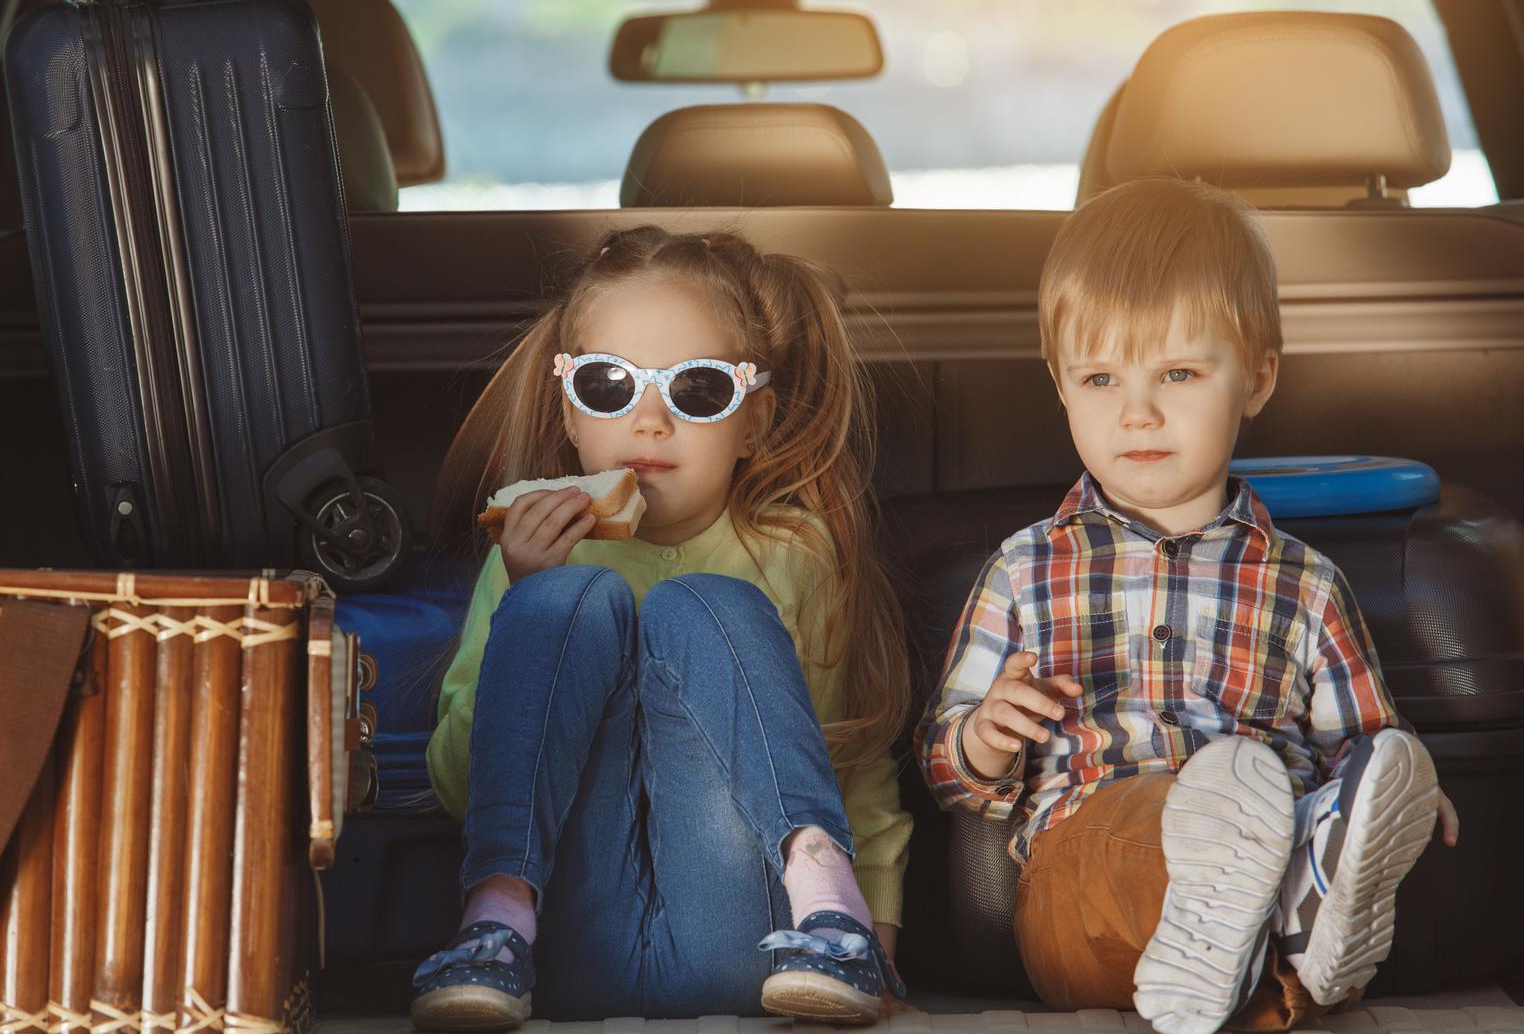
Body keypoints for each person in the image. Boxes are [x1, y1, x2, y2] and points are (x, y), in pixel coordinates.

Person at [916, 177, 1460, 1034]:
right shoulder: (1024, 569)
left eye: (1177, 372)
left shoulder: (1307, 583)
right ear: (1060, 386)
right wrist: (984, 737)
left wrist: (1398, 790)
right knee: (1149, 834)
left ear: (1256, 378)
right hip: (1085, 862)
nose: (1137, 411)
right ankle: (1280, 917)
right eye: (1100, 377)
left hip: (1273, 836)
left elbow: (1362, 745)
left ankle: (1285, 940)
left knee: (1302, 824)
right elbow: (946, 770)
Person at [414, 226, 912, 1030]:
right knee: (567, 605)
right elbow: (457, 788)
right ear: (570, 414)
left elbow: (851, 759)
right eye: (610, 385)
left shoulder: (796, 554)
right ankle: (495, 916)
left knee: (702, 606)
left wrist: (880, 944)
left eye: (699, 389)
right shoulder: (524, 556)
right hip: (551, 955)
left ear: (753, 422)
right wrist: (522, 601)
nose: (649, 421)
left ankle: (831, 910)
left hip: (757, 952)